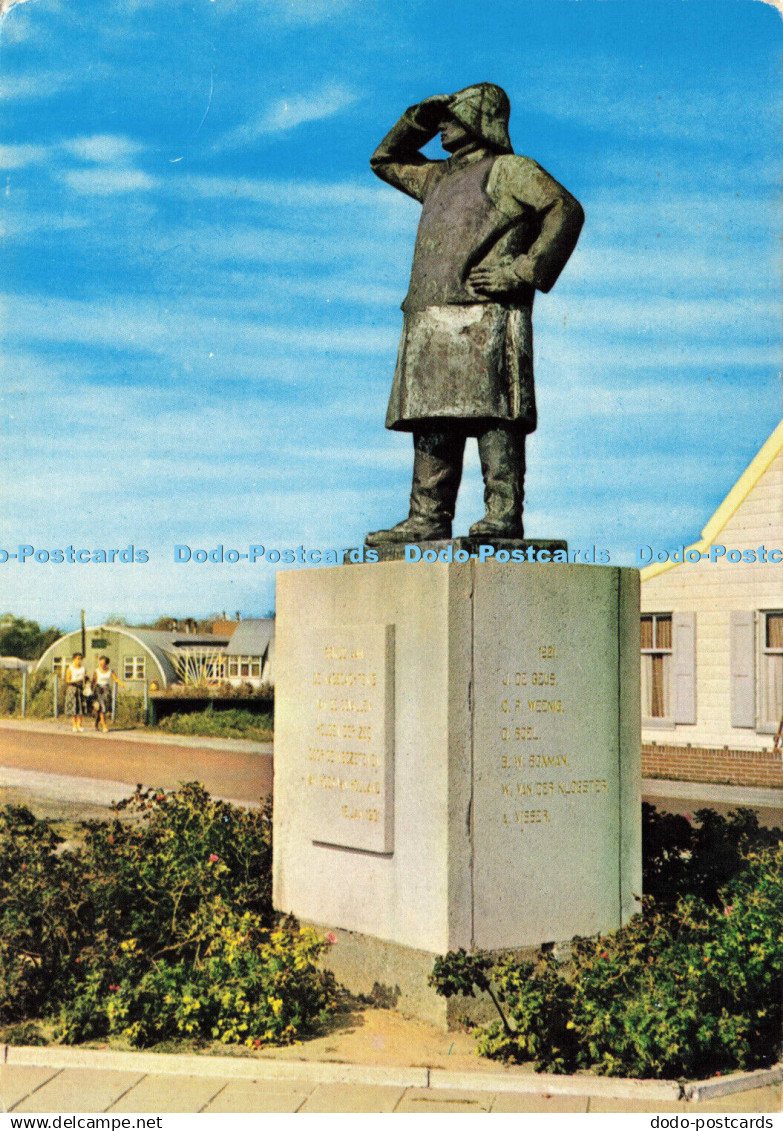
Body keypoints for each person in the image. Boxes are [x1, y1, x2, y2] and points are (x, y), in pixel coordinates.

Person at [365, 83, 584, 544]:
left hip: (486, 314)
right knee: (430, 418)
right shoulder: (437, 178)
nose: (442, 125)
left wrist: (524, 270)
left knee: (494, 416)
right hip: (431, 317)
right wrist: (416, 118)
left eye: (451, 116)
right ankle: (427, 516)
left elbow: (563, 209)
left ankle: (502, 515)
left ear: (480, 120)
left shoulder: (510, 171)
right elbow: (384, 160)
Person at [92, 655, 124, 732]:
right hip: (98, 689)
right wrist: (91, 692)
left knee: (105, 708)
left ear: (107, 664)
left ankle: (97, 721)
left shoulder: (110, 671)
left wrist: (122, 684)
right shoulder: (96, 671)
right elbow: (93, 682)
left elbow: (115, 678)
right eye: (100, 663)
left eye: (103, 664)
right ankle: (104, 726)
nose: (101, 665)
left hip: (106, 690)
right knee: (102, 707)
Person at [64, 652, 88, 733]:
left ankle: (80, 725)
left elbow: (86, 678)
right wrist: (76, 681)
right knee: (73, 707)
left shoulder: (83, 668)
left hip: (81, 689)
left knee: (81, 707)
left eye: (81, 659)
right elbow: (67, 680)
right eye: (78, 658)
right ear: (74, 659)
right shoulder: (70, 668)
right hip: (72, 688)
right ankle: (74, 725)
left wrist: (86, 681)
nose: (80, 660)